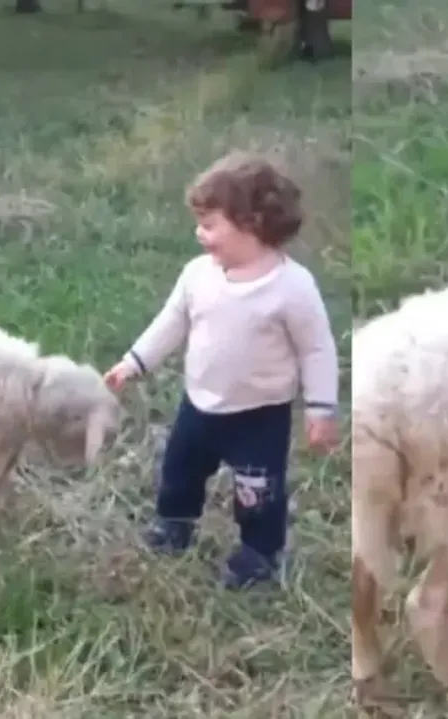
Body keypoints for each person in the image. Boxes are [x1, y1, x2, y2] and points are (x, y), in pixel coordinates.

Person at [104, 151, 341, 589]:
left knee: (258, 492)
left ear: (252, 222)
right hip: (200, 404)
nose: (200, 234)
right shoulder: (198, 275)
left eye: (210, 225)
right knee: (179, 469)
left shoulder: (292, 287)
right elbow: (171, 321)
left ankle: (260, 553)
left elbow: (317, 349)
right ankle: (175, 523)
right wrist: (134, 362)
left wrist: (321, 408)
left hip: (260, 415)